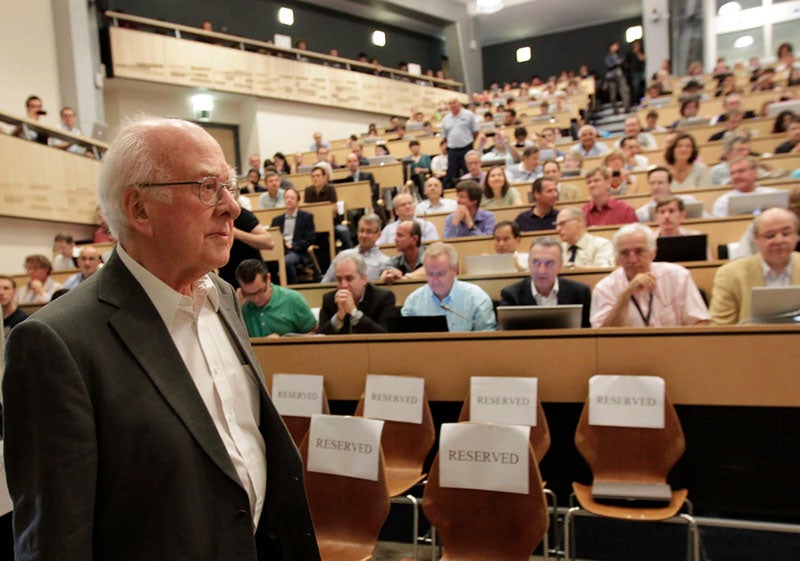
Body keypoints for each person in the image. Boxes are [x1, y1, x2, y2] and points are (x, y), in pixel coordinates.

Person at [2, 117, 320, 560]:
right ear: (139, 209)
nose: (230, 206)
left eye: (229, 186)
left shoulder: (223, 295)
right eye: (208, 187)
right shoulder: (54, 343)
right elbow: (56, 539)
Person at [590, 223, 710, 327]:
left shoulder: (678, 276)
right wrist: (625, 295)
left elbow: (700, 323)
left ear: (653, 253)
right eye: (625, 253)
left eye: (639, 251)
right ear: (617, 258)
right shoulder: (605, 288)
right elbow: (602, 339)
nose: (632, 259)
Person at [710, 208, 800, 324]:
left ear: (797, 235)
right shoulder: (729, 274)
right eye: (770, 235)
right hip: (748, 341)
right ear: (756, 239)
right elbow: (720, 328)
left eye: (786, 234)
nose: (779, 240)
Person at [401, 242, 497, 332]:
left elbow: (488, 339)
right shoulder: (413, 301)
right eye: (430, 274)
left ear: (455, 269)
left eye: (441, 274)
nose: (435, 280)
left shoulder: (477, 298)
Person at [499, 236, 592, 327]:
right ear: (528, 263)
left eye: (549, 263)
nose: (542, 270)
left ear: (560, 265)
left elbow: (587, 337)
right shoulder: (511, 295)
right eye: (536, 262)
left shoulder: (580, 293)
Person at [318, 253, 396, 334]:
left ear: (364, 279)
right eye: (339, 279)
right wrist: (339, 317)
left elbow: (385, 336)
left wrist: (354, 313)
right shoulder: (329, 299)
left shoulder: (384, 298)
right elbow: (320, 338)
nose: (343, 285)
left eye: (349, 279)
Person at [235, 259, 316, 337]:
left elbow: (314, 333)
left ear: (268, 278)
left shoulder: (293, 299)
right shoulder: (241, 304)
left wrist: (281, 343)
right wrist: (235, 307)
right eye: (249, 294)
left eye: (260, 291)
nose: (256, 299)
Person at [321, 214, 391, 282]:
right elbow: (325, 284)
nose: (364, 235)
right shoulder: (343, 255)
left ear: (378, 235)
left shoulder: (385, 262)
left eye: (369, 232)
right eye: (361, 230)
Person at [218, 206, 274, 287]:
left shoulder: (241, 215)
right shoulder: (211, 218)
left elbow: (269, 242)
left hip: (253, 274)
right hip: (228, 275)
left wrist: (236, 233)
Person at [271, 187, 317, 285]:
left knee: (286, 261)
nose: (289, 200)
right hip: (280, 250)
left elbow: (310, 239)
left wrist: (292, 245)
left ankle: (292, 288)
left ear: (298, 201)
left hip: (297, 251)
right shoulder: (277, 220)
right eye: (287, 198)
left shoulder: (306, 217)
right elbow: (273, 238)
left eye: (292, 198)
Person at [304, 162, 353, 249]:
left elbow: (333, 209)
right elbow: (307, 209)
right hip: (314, 225)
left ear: (324, 177)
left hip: (332, 223)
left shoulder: (330, 189)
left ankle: (350, 255)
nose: (315, 178)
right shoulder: (308, 191)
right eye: (313, 176)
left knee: (343, 231)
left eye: (318, 176)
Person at [711, 157, 780, 218]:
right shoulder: (723, 201)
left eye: (741, 171)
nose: (736, 176)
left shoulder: (773, 194)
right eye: (732, 173)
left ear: (755, 172)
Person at [636, 167, 703, 222]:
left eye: (660, 183)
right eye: (652, 183)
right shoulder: (642, 212)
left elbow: (707, 219)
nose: (655, 187)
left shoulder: (689, 201)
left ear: (669, 184)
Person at [441, 97, 478, 187]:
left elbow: (475, 131)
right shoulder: (446, 119)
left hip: (466, 147)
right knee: (451, 174)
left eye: (454, 102)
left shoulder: (469, 114)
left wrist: (469, 141)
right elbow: (444, 137)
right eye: (450, 103)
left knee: (470, 171)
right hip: (452, 150)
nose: (452, 105)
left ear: (459, 103)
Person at [604, 40, 631, 114]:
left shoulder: (620, 55)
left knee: (624, 91)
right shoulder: (608, 57)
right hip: (612, 77)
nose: (616, 47)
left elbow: (625, 64)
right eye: (615, 45)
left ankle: (626, 107)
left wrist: (622, 63)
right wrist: (617, 62)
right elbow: (609, 65)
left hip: (621, 75)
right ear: (611, 47)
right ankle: (615, 109)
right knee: (613, 95)